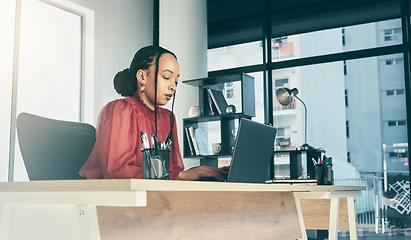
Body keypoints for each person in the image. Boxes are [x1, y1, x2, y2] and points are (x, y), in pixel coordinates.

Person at [79, 45, 228, 181]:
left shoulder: (168, 118)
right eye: (166, 77)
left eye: (176, 81)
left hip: (151, 195)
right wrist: (180, 175)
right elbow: (117, 172)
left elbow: (174, 171)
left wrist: (198, 173)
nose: (173, 87)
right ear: (142, 77)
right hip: (109, 197)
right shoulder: (119, 110)